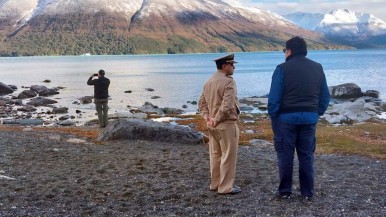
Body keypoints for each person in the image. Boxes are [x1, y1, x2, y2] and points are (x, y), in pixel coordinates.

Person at [268, 36, 330, 200]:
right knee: (306, 156)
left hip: (286, 119)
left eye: (284, 51)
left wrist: (274, 116)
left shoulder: (281, 68)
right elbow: (325, 96)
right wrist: (317, 112)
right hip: (309, 119)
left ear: (289, 51)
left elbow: (274, 98)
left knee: (285, 156)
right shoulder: (318, 68)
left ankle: (285, 191)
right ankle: (307, 192)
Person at [198, 54, 241, 195]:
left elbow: (201, 103)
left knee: (215, 154)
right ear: (224, 66)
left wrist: (207, 117)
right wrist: (216, 118)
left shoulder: (208, 81)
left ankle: (215, 184)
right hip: (226, 124)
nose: (234, 67)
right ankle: (225, 187)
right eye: (231, 64)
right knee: (228, 156)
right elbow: (227, 105)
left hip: (212, 125)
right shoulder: (229, 82)